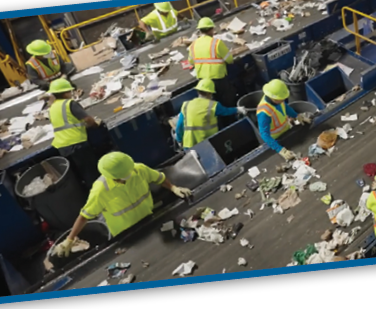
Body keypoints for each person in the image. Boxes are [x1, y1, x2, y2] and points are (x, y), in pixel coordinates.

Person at [53, 152, 192, 257]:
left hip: (150, 221)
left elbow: (159, 178)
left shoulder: (139, 169)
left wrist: (174, 187)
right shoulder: (101, 190)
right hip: (126, 236)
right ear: (114, 177)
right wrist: (69, 240)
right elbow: (84, 216)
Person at [48, 79, 101, 191]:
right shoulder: (70, 104)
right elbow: (88, 119)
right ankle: (102, 194)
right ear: (66, 92)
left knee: (80, 175)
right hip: (77, 144)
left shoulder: (52, 107)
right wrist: (95, 125)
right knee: (91, 173)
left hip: (62, 147)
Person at [175, 79, 247, 149]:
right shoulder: (213, 105)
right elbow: (226, 111)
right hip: (208, 145)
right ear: (210, 93)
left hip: (189, 145)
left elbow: (179, 126)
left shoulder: (186, 105)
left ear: (198, 92)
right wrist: (238, 109)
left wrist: (179, 140)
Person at [188, 17, 237, 109]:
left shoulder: (193, 45)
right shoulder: (216, 43)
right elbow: (229, 60)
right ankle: (230, 119)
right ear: (211, 29)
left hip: (203, 82)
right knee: (226, 101)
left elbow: (191, 61)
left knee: (211, 106)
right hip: (218, 79)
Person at [256, 79, 311, 161]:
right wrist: (280, 150)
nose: (283, 100)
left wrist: (298, 116)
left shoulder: (277, 100)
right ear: (273, 98)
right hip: (276, 140)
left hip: (287, 131)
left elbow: (285, 108)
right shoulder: (264, 112)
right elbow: (264, 134)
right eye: (281, 98)